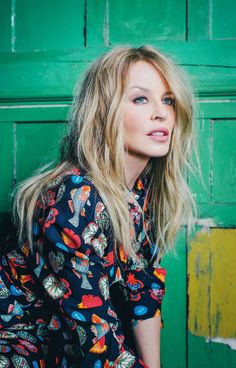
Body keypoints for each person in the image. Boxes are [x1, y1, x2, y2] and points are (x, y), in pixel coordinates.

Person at [0, 45, 196, 368]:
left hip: (70, 348)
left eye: (168, 100)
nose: (161, 112)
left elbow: (144, 295)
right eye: (140, 98)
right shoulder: (73, 199)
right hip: (23, 350)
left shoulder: (142, 194)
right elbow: (97, 344)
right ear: (104, 110)